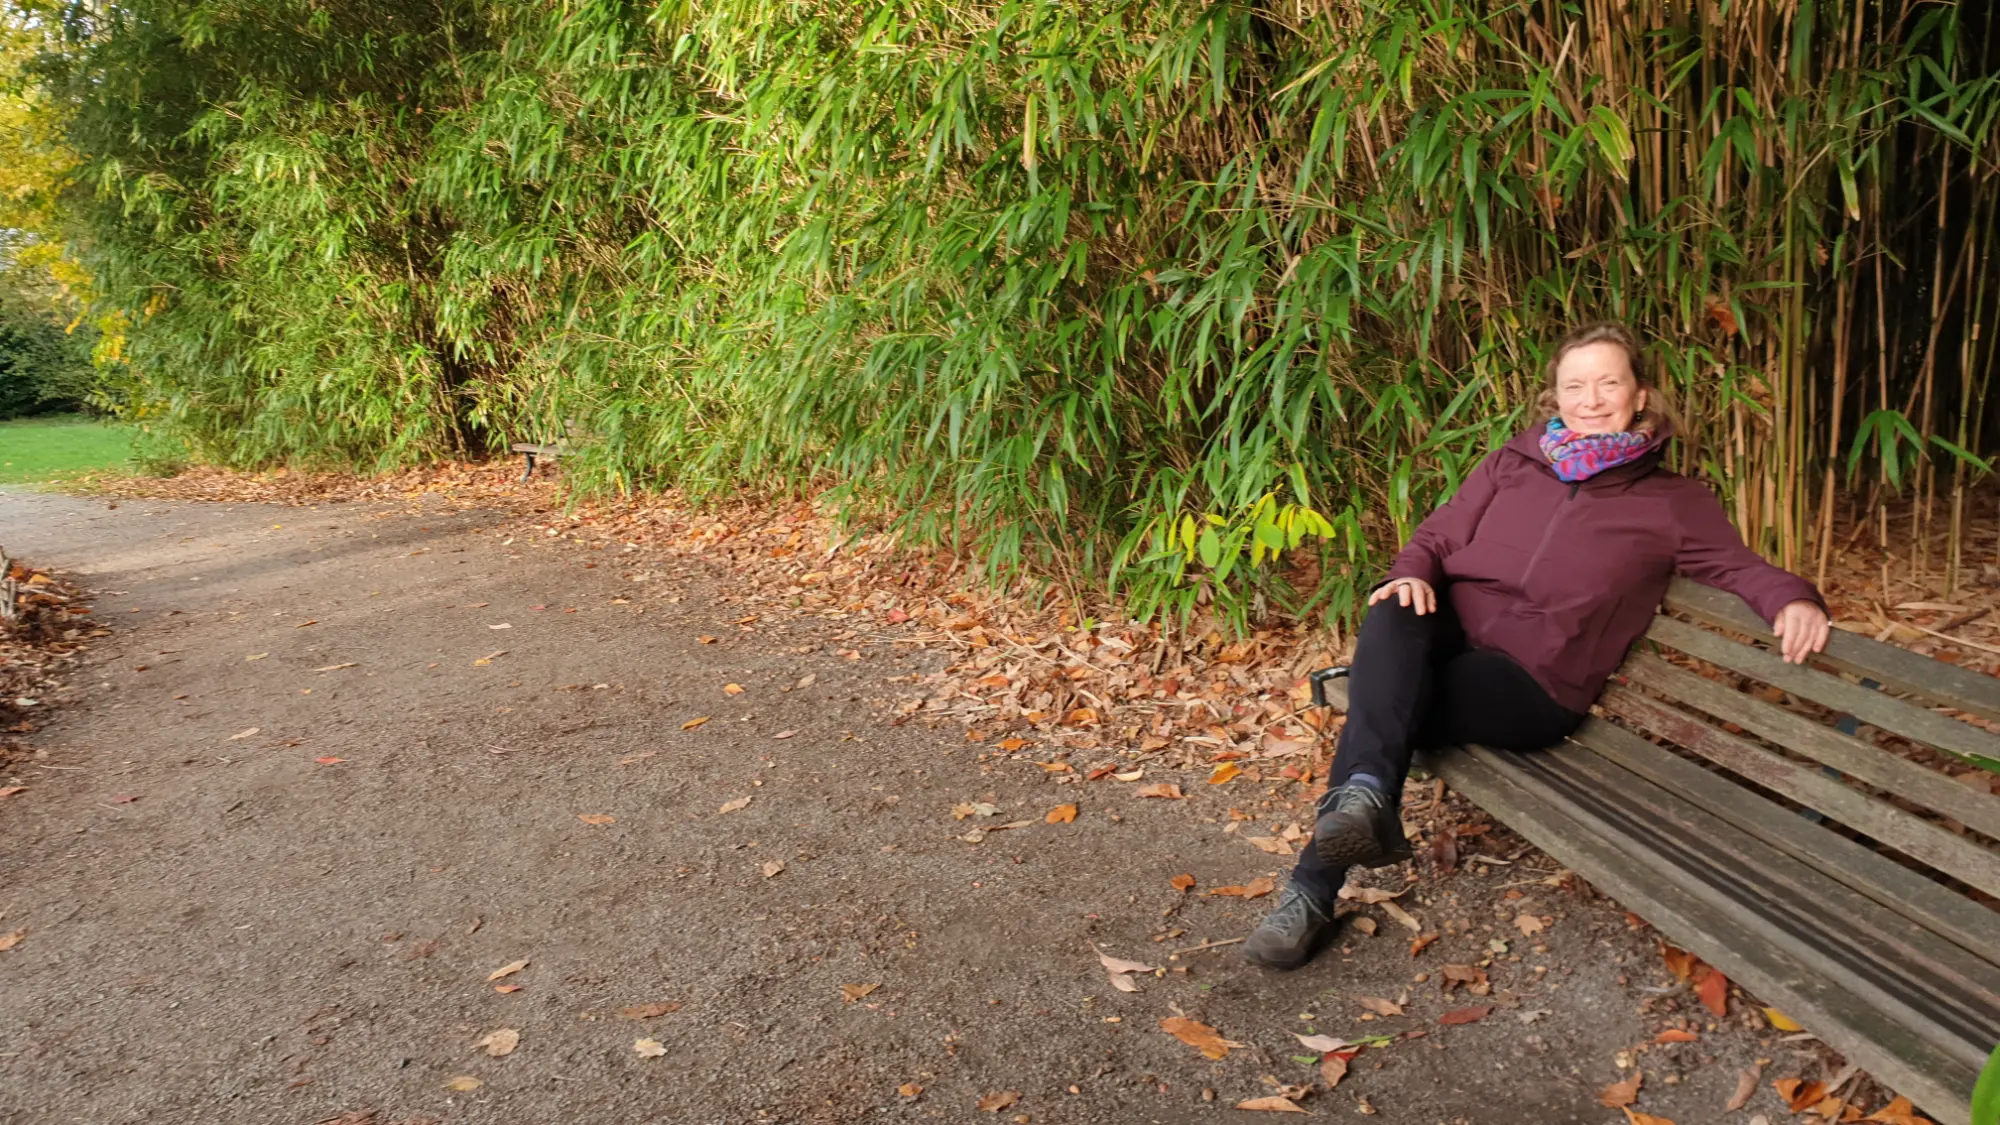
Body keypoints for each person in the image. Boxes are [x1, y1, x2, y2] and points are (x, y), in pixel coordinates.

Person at [1243, 321, 1832, 970]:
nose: (1592, 397)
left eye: (1610, 381)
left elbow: (1739, 566)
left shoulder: (1675, 503)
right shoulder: (1510, 464)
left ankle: (1312, 887)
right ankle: (1361, 800)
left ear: (1640, 396)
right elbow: (1435, 539)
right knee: (1394, 606)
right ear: (1555, 397)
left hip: (1531, 684)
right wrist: (1410, 570)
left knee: (1382, 703)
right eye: (1575, 384)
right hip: (1448, 636)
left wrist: (1793, 598)